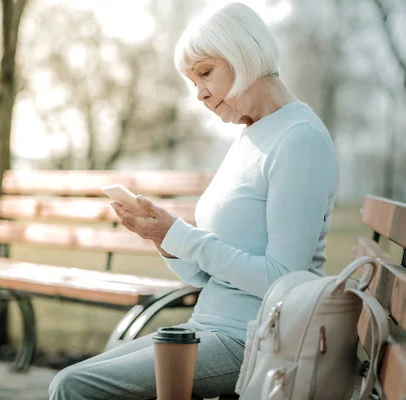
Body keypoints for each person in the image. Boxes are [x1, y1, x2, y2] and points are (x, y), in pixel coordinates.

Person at [49, 2, 338, 399]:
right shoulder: (252, 136)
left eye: (205, 73)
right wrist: (163, 239)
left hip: (251, 340)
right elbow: (210, 275)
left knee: (75, 388)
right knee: (69, 378)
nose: (200, 93)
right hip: (207, 326)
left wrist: (182, 236)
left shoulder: (299, 139)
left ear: (243, 54)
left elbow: (282, 279)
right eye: (193, 81)